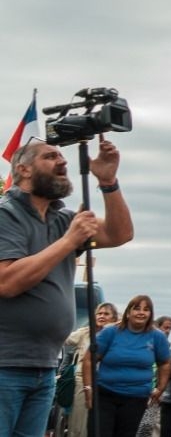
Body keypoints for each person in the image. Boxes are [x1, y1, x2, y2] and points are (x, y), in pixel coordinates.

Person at [0, 137, 133, 437]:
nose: (62, 162)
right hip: (5, 364)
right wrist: (70, 242)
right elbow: (6, 282)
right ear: (23, 169)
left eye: (62, 157)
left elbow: (120, 233)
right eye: (50, 157)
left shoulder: (63, 220)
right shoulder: (5, 214)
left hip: (45, 365)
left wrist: (108, 182)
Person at [85, 293, 171, 437]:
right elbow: (89, 359)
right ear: (128, 312)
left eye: (146, 309)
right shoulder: (110, 332)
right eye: (137, 308)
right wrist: (88, 386)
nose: (141, 312)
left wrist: (160, 388)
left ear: (150, 314)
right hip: (104, 395)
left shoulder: (157, 336)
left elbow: (165, 363)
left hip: (136, 397)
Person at [63, 302, 119, 437]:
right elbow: (65, 339)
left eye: (106, 314)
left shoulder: (118, 334)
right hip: (83, 380)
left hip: (107, 382)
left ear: (114, 318)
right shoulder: (86, 332)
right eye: (99, 313)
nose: (102, 316)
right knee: (79, 422)